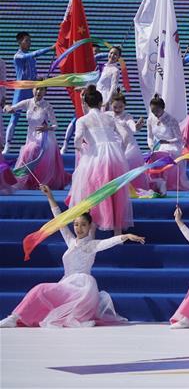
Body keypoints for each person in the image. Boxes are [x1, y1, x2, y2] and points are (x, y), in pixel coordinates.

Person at [0, 185, 144, 328]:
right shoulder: (71, 241)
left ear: (90, 226)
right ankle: (15, 318)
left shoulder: (92, 245)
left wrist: (125, 236)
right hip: (66, 284)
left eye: (83, 225)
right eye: (76, 224)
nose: (79, 228)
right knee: (41, 291)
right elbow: (59, 220)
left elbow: (108, 242)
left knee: (40, 289)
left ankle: (14, 318)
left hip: (81, 288)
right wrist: (50, 197)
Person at [67, 86, 132, 234]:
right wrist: (120, 151)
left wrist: (81, 148)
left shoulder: (83, 120)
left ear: (85, 103)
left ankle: (91, 233)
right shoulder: (109, 117)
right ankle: (117, 233)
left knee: (93, 192)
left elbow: (78, 138)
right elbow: (125, 136)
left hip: (96, 156)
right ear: (101, 102)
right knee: (116, 192)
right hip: (115, 156)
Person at [4, 84, 67, 189]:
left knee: (32, 150)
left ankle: (41, 181)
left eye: (42, 89)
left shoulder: (47, 106)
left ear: (45, 91)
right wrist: (7, 107)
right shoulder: (28, 102)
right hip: (31, 135)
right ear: (33, 89)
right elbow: (11, 108)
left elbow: (55, 125)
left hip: (44, 136)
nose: (39, 92)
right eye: (37, 89)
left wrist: (47, 128)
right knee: (28, 153)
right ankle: (27, 180)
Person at [4, 32, 54, 153]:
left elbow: (34, 72)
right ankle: (7, 146)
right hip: (21, 89)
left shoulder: (31, 57)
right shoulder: (18, 56)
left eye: (30, 41)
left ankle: (41, 143)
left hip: (32, 89)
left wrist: (41, 80)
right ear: (19, 42)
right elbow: (34, 54)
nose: (29, 43)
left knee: (40, 116)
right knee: (14, 117)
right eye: (26, 41)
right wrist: (50, 48)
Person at [147, 94, 189, 195]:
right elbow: (149, 136)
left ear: (162, 108)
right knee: (153, 157)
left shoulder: (171, 120)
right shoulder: (150, 119)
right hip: (159, 146)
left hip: (172, 145)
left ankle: (167, 183)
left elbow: (179, 138)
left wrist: (166, 141)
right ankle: (157, 183)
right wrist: (151, 146)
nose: (155, 113)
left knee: (165, 155)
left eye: (157, 110)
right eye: (153, 111)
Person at [106, 93, 149, 195]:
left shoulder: (127, 116)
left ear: (125, 105)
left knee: (129, 168)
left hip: (128, 147)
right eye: (115, 107)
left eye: (121, 107)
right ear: (111, 105)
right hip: (113, 146)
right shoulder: (107, 115)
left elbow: (133, 128)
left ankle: (130, 189)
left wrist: (137, 126)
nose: (118, 109)